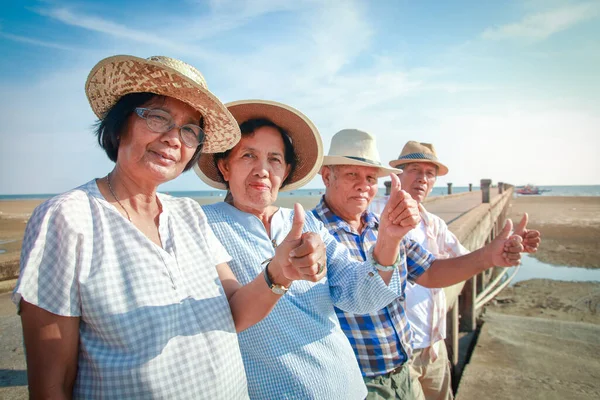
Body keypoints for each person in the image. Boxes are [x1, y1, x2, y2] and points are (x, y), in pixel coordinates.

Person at [12, 55, 316, 399]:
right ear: (120, 122)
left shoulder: (188, 213)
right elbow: (52, 381)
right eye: (158, 117)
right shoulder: (68, 218)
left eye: (189, 130)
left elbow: (234, 313)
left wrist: (279, 272)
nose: (175, 138)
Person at [195, 99, 421, 399]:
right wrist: (279, 272)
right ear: (225, 166)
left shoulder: (307, 222)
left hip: (350, 387)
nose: (263, 170)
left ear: (286, 171)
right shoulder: (202, 224)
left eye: (275, 159)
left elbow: (360, 296)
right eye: (249, 156)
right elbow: (226, 316)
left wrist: (389, 240)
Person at [313, 129, 531, 400]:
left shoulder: (379, 224)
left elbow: (429, 271)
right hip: (358, 381)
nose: (363, 185)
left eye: (370, 177)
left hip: (402, 369)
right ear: (326, 176)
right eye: (351, 175)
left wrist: (489, 256)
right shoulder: (312, 233)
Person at [369, 141, 542, 400]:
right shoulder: (374, 214)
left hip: (435, 345)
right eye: (415, 170)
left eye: (430, 174)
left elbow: (465, 258)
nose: (422, 179)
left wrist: (502, 249)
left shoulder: (433, 223)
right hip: (399, 352)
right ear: (398, 175)